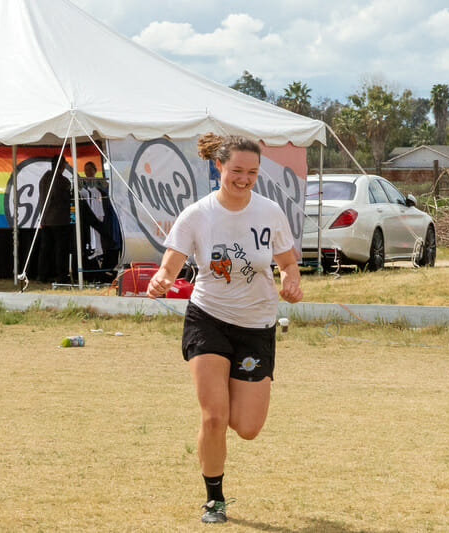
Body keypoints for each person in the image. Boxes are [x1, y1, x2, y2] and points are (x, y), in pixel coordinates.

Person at [147, 133, 303, 524]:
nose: (244, 178)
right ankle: (213, 500)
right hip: (208, 318)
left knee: (247, 428)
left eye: (252, 172)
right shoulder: (197, 214)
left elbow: (287, 261)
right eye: (236, 170)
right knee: (214, 417)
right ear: (219, 166)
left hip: (256, 325)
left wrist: (291, 280)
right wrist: (161, 280)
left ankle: (233, 394)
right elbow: (170, 264)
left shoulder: (269, 212)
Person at [37, 154, 73, 283]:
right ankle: (61, 276)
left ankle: (42, 275)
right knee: (60, 250)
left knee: (45, 249)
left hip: (46, 219)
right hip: (60, 220)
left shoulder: (44, 178)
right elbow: (67, 199)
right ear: (62, 165)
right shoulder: (63, 181)